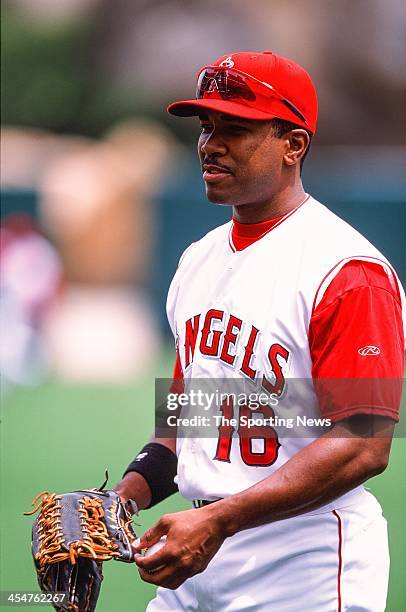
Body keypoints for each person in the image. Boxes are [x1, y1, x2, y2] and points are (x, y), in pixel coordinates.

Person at [114, 51, 405, 611]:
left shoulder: (345, 270)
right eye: (206, 126)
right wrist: (122, 498)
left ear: (293, 144)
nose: (210, 144)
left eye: (236, 128)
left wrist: (220, 520)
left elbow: (364, 445)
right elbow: (190, 422)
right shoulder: (197, 260)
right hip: (197, 555)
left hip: (303, 565)